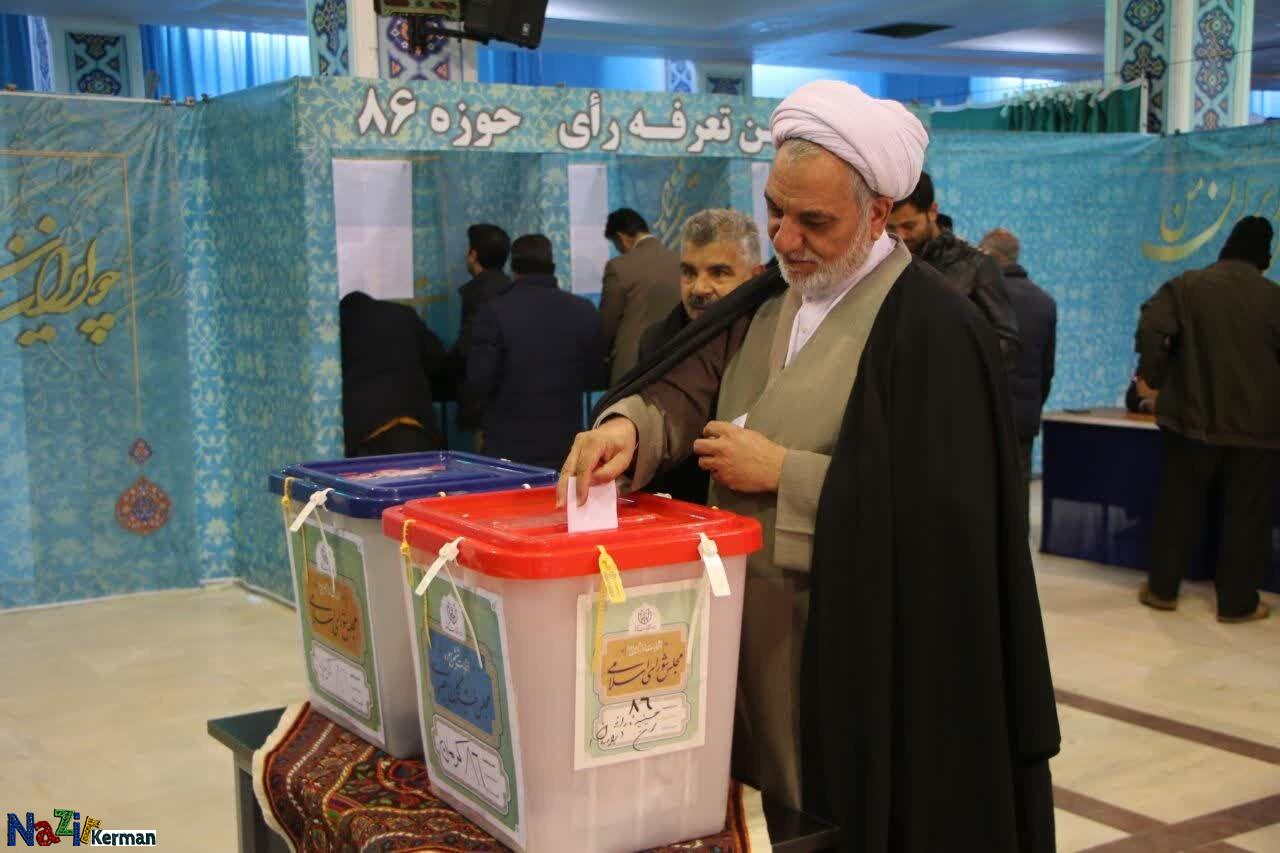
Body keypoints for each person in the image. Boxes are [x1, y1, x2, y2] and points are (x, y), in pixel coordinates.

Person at [559, 80, 1059, 850]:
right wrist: (633, 428)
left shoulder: (932, 327)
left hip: (857, 647)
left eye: (814, 221)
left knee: (848, 822)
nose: (787, 239)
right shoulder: (772, 297)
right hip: (751, 632)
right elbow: (691, 383)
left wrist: (784, 472)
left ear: (878, 214)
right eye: (775, 212)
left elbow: (947, 516)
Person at [1136, 216, 1280, 624]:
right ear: (1265, 256)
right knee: (1246, 516)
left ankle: (1163, 590)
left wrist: (1156, 378)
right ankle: (1237, 603)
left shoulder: (1186, 286)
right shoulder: (1274, 299)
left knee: (1177, 507)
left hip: (1190, 420)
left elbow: (1152, 328)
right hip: (1258, 430)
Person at [637, 208, 765, 503]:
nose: (699, 288)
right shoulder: (655, 341)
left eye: (719, 273)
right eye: (689, 272)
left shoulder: (771, 341)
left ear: (755, 277)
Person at [462, 234, 603, 470]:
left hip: (507, 448)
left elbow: (479, 381)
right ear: (552, 265)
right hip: (567, 446)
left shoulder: (493, 312)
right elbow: (594, 375)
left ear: (514, 267)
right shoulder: (584, 311)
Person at [886, 172, 1021, 369]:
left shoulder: (977, 265)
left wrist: (951, 365)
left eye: (909, 226)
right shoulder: (884, 263)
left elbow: (1007, 345)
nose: (901, 236)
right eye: (890, 228)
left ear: (932, 211)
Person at [981, 227, 1057, 484]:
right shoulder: (1045, 302)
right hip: (1023, 417)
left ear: (988, 254)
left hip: (985, 415)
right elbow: (1047, 369)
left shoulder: (980, 296)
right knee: (1018, 487)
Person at [339, 291, 447, 457]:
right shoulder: (403, 314)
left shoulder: (338, 324)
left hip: (365, 430)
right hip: (413, 423)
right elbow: (437, 358)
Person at [600, 208, 682, 384]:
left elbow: (608, 323)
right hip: (675, 361)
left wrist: (602, 353)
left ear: (621, 238)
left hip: (633, 366)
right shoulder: (680, 261)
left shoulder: (618, 266)